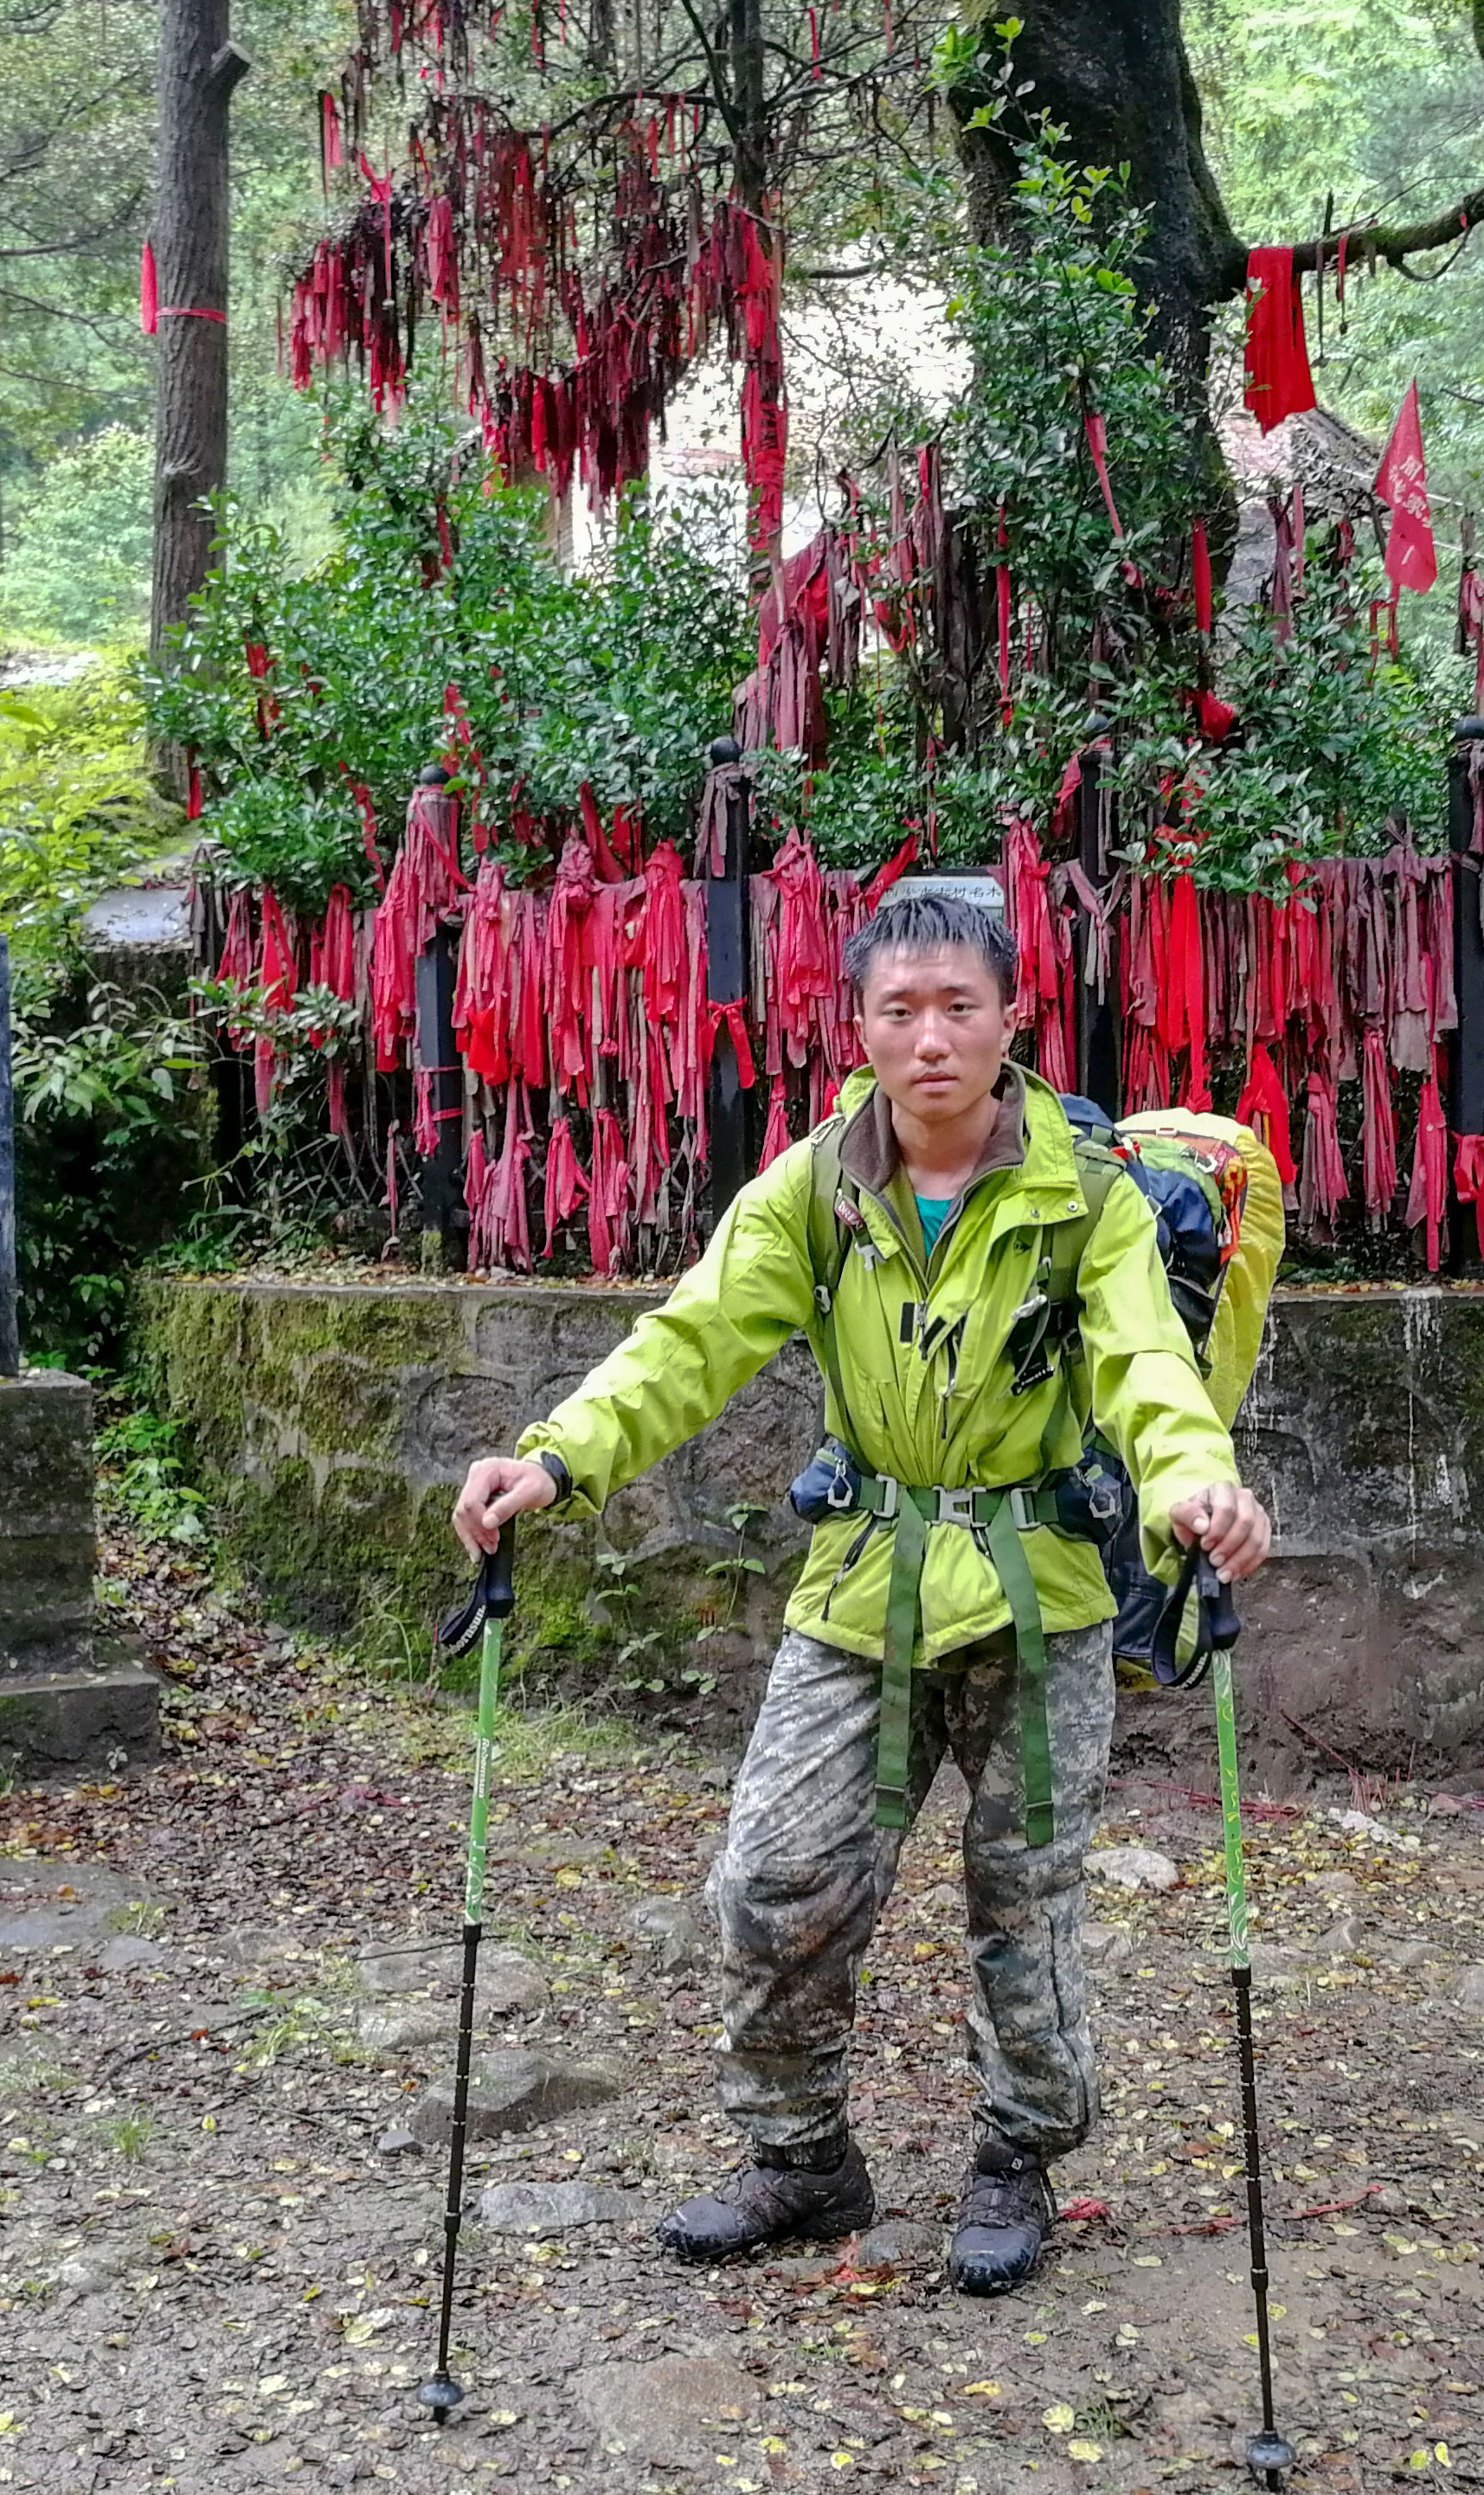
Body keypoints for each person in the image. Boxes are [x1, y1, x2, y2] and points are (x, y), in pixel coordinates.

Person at [452, 891, 1273, 2297]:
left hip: (1040, 1591)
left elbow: (1148, 1369)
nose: (932, 1038)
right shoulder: (816, 1184)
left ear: (1013, 1018)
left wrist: (1198, 1483)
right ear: (862, 1026)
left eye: (960, 1006)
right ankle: (803, 2161)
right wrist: (557, 1460)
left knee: (1026, 1903)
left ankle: (1016, 2157)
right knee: (773, 1880)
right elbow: (691, 1339)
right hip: (863, 1587)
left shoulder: (1085, 1196)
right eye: (901, 1009)